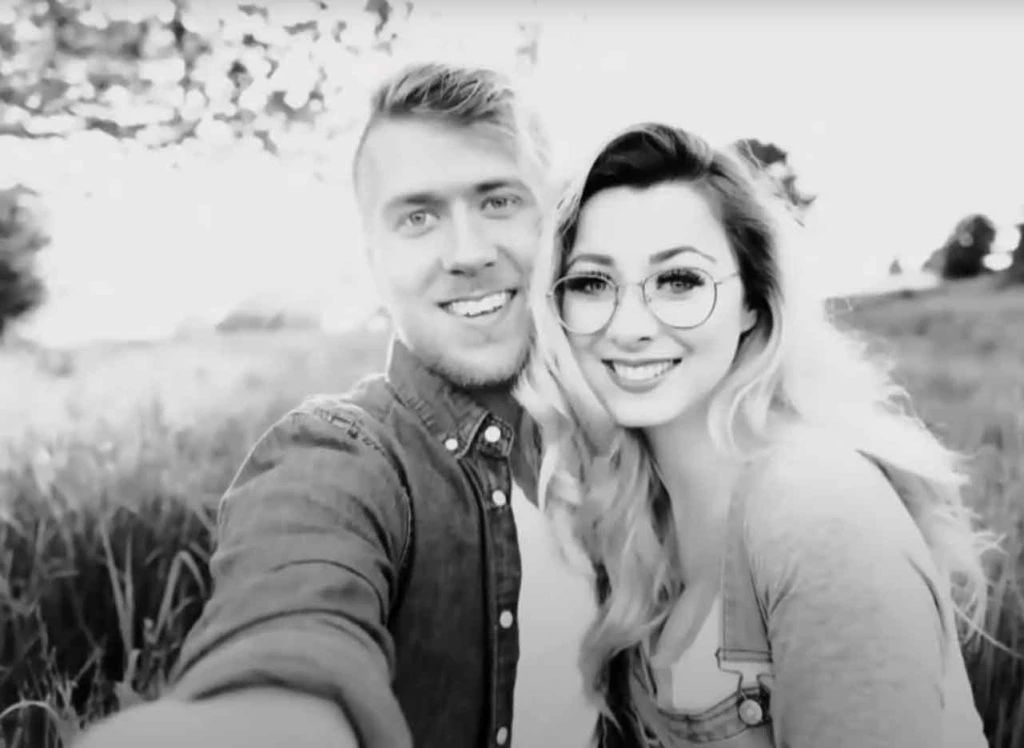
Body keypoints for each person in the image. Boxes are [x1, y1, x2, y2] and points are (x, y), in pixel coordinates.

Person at [74, 61, 603, 748]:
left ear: (557, 224)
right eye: (418, 217)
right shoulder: (338, 454)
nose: (468, 252)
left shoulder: (623, 435)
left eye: (499, 201)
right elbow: (291, 622)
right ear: (373, 259)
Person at [515, 122, 995, 747]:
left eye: (679, 281)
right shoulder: (634, 521)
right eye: (592, 283)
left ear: (753, 301)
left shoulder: (815, 509)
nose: (629, 327)